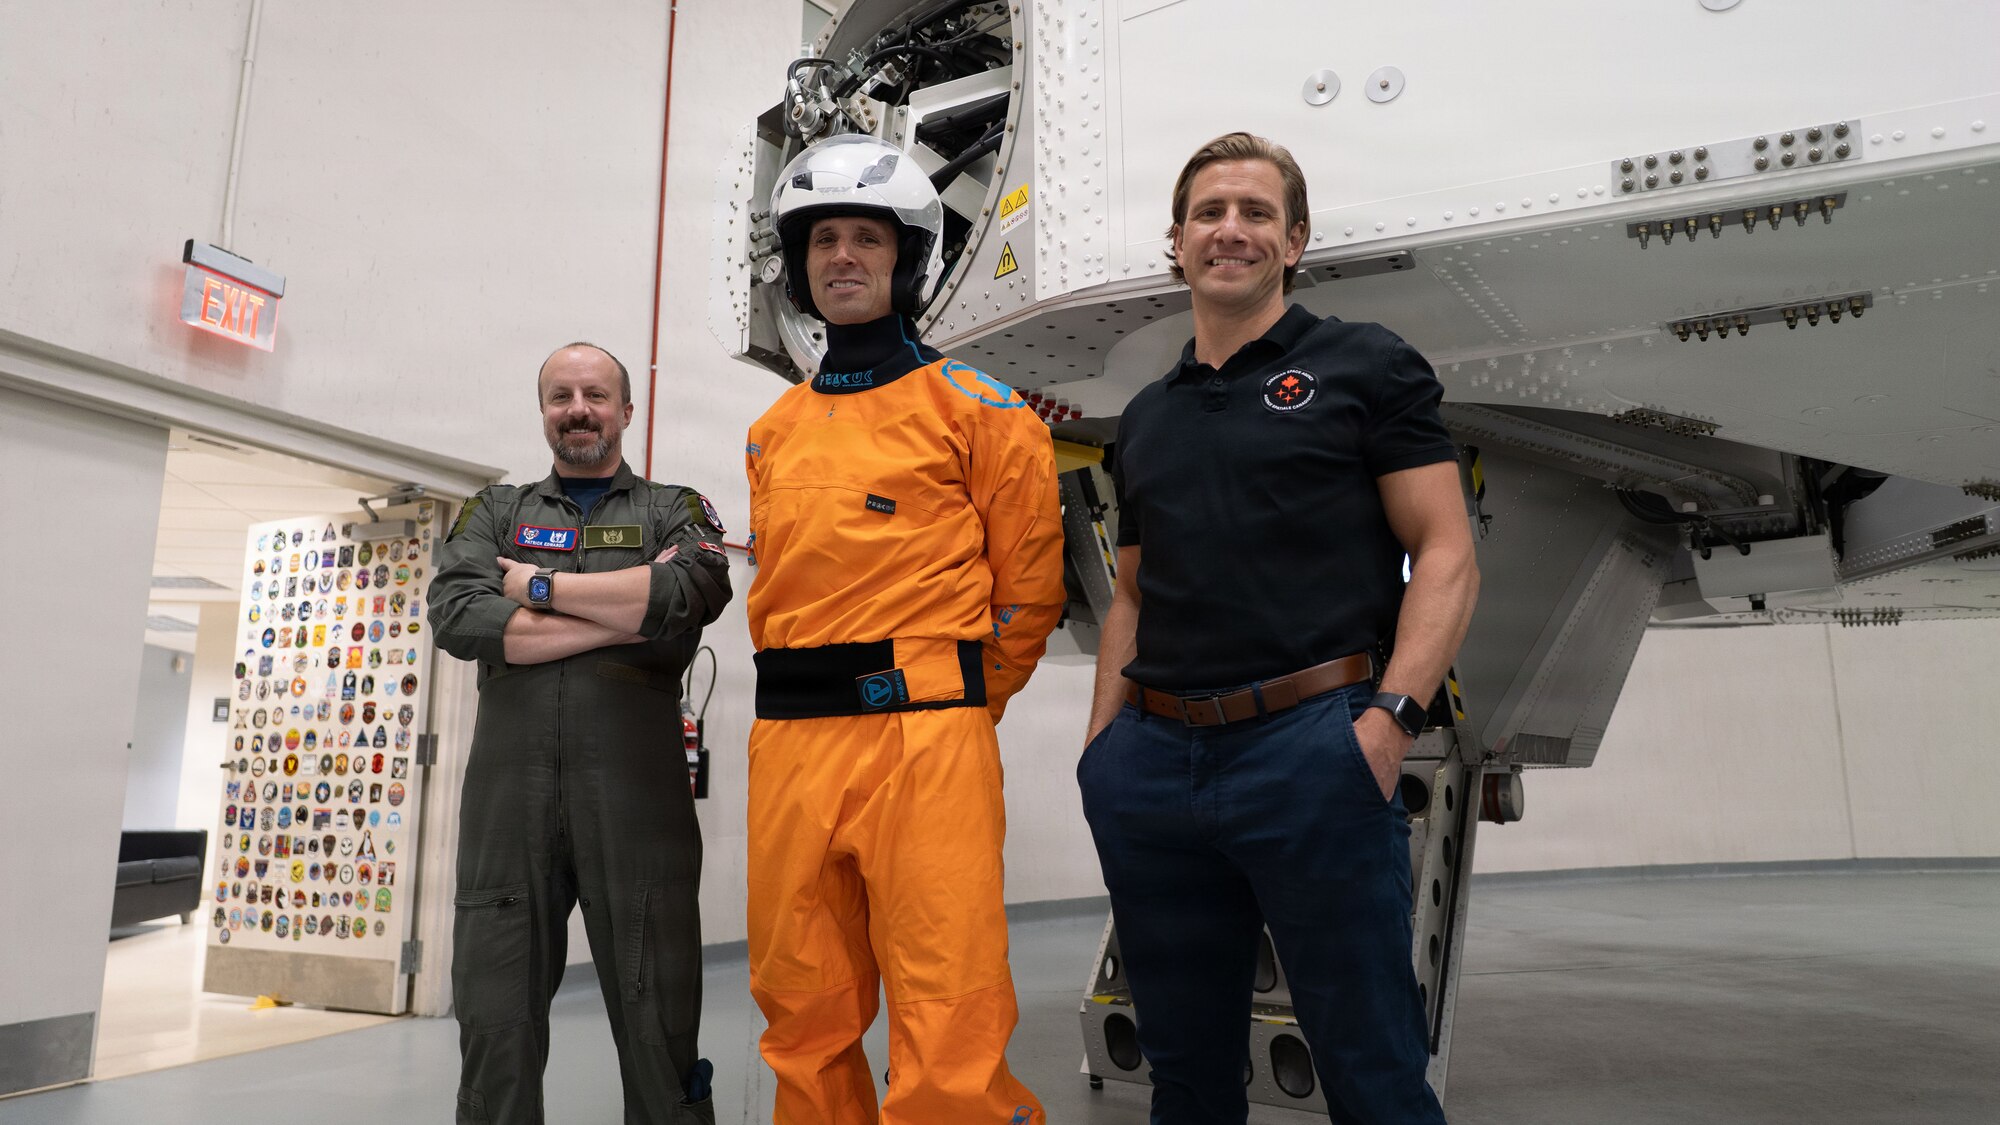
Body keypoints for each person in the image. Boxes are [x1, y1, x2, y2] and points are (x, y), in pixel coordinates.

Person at [1078, 132, 1480, 1124]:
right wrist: (1101, 752)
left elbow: (1445, 553)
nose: (1230, 231)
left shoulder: (1364, 366)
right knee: (1187, 1082)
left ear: (1293, 242)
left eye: (1256, 214)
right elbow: (1130, 593)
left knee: (1371, 1074)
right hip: (1153, 767)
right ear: (1175, 242)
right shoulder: (1145, 420)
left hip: (1311, 751)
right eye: (1209, 213)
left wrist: (1388, 722)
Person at [743, 133, 1065, 1125]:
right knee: (801, 1005)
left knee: (946, 1006)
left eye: (865, 239)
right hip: (788, 745)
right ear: (798, 266)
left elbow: (1027, 595)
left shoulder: (980, 409)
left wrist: (951, 703)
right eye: (822, 239)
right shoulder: (772, 434)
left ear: (906, 257)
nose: (843, 256)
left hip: (926, 742)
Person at [429, 342, 732, 1125]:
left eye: (596, 394)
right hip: (507, 806)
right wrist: (623, 621)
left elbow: (690, 589)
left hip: (638, 804)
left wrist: (534, 586)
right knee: (495, 1023)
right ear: (544, 413)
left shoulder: (676, 508)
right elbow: (458, 614)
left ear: (626, 411)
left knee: (658, 1023)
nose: (578, 409)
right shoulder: (495, 508)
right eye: (560, 395)